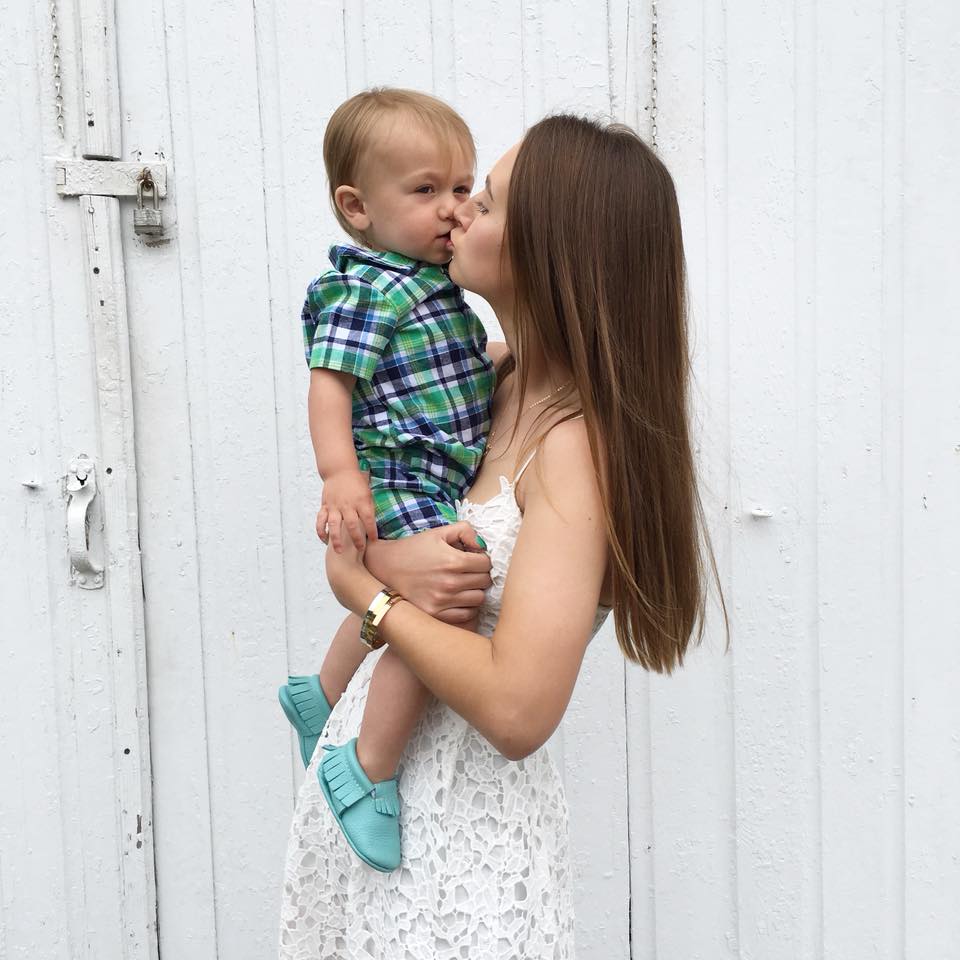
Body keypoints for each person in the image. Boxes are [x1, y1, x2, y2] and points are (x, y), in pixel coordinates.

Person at [278, 113, 725, 959]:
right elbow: (399, 504)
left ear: (550, 247)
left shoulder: (575, 446)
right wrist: (383, 561)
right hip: (382, 811)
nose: (458, 214)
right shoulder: (498, 378)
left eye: (483, 200)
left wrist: (367, 594)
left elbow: (518, 710)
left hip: (458, 848)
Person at [276, 88, 496, 873]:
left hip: (430, 475)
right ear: (357, 206)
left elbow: (456, 375)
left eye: (464, 188)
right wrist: (340, 475)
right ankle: (366, 769)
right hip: (396, 474)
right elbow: (329, 382)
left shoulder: (435, 290)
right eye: (427, 189)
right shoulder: (369, 285)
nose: (453, 209)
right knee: (439, 614)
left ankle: (321, 691)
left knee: (410, 601)